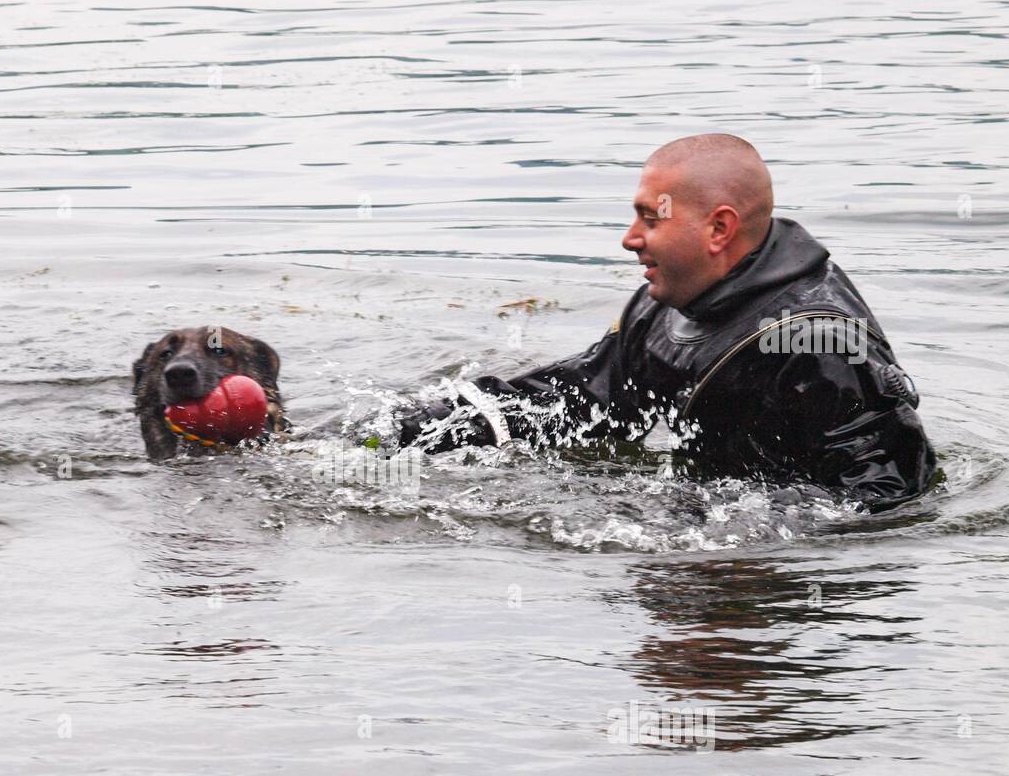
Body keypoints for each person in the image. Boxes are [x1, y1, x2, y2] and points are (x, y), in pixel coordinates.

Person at [396, 134, 937, 511]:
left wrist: (709, 535)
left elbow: (885, 504)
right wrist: (409, 429)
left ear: (719, 229)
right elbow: (580, 402)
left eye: (650, 218)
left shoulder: (823, 343)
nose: (630, 237)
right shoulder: (667, 305)